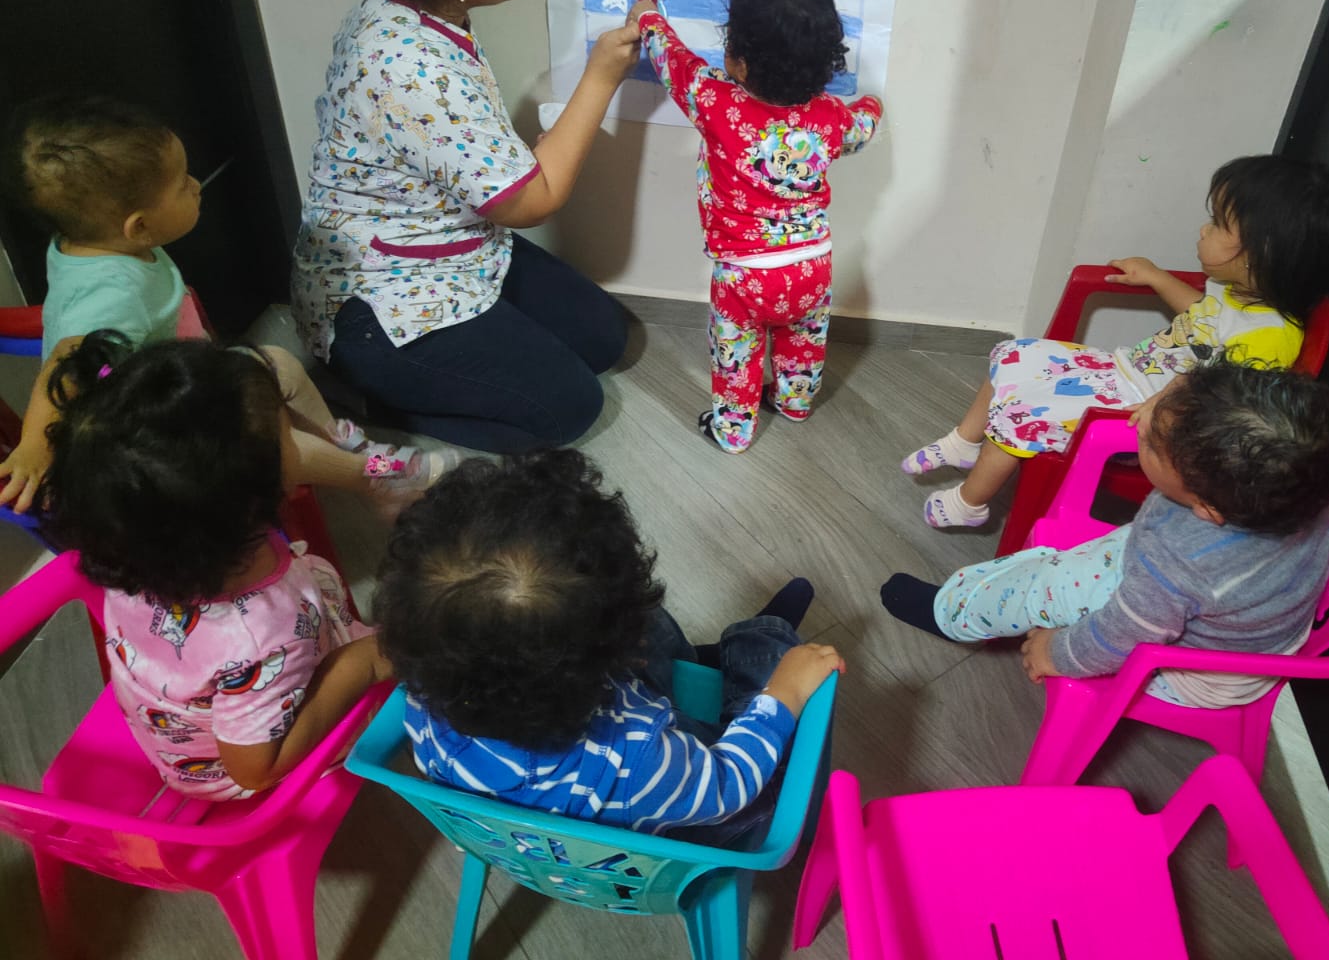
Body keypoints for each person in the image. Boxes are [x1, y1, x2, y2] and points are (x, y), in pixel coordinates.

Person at [294, 0, 639, 453]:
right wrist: (601, 77)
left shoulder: (412, 2)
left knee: (603, 337)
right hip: (381, 302)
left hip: (460, 247)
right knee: (569, 408)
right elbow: (534, 201)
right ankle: (367, 396)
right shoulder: (406, 67)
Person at [0, 95, 444, 516]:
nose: (196, 186)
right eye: (181, 184)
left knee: (282, 365)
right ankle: (375, 479)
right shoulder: (111, 297)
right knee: (279, 447)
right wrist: (34, 446)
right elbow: (66, 362)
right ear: (139, 227)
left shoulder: (89, 239)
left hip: (181, 379)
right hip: (150, 431)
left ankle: (347, 444)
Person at [375, 449, 845, 837]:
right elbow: (729, 785)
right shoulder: (638, 759)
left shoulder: (427, 690)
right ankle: (755, 645)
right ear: (615, 658)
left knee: (627, 617)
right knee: (774, 656)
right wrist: (784, 692)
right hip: (697, 809)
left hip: (542, 817)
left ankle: (716, 659)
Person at [903, 154, 1329, 528]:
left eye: (1217, 224)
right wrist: (1156, 277)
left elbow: (1227, 404)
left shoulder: (1269, 337)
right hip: (1124, 373)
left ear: (1258, 253)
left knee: (1020, 417)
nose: (1202, 230)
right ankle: (964, 442)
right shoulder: (1238, 293)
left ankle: (970, 503)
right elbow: (1201, 316)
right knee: (1014, 353)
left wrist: (1163, 405)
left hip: (1142, 417)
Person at [42, 333, 392, 799]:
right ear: (246, 503)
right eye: (285, 439)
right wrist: (361, 666)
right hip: (238, 766)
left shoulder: (132, 539)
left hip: (186, 721)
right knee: (397, 664)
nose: (294, 443)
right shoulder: (260, 634)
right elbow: (255, 769)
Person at [881, 362, 1329, 706]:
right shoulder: (1298, 483)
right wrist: (1172, 402)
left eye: (1152, 442)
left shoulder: (1177, 566)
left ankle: (955, 614)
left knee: (1044, 584)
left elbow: (1121, 637)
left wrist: (1058, 653)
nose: (1141, 422)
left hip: (1188, 670)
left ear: (1207, 507)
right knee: (1092, 568)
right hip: (1247, 627)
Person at [627, 0, 883, 453]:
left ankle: (733, 429)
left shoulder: (714, 100)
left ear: (741, 65)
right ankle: (794, 401)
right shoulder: (830, 115)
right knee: (803, 338)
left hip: (744, 273)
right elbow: (862, 128)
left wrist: (647, 17)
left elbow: (671, 59)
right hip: (813, 264)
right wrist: (873, 104)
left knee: (736, 353)